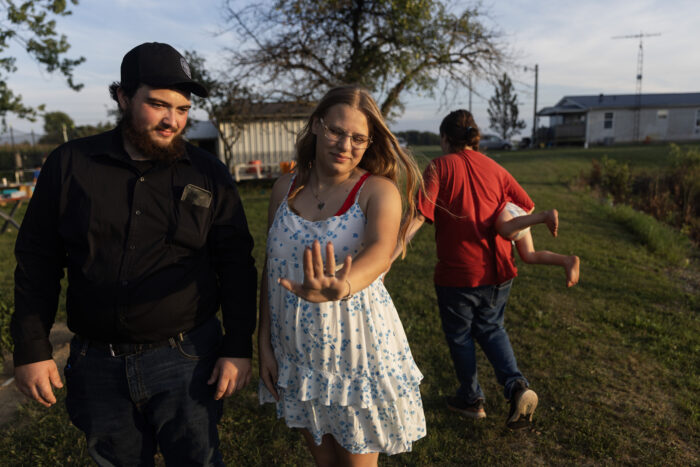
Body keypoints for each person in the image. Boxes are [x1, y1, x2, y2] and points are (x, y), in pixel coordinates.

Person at [11, 42, 257, 465]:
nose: (172, 120)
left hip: (187, 360)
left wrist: (237, 346)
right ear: (123, 97)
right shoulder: (70, 165)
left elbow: (236, 266)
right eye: (158, 105)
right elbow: (37, 261)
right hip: (96, 365)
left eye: (181, 109)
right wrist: (32, 348)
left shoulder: (207, 174)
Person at [258, 85, 426, 466]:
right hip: (296, 354)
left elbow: (380, 252)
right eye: (336, 131)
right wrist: (264, 342)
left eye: (358, 138)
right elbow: (271, 269)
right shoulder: (284, 189)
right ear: (317, 125)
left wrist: (343, 285)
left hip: (355, 357)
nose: (345, 145)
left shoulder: (378, 191)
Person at [393, 109, 539, 429]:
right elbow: (525, 205)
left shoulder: (439, 167)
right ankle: (516, 387)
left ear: (445, 139)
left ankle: (471, 399)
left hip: (458, 274)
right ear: (475, 138)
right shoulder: (496, 168)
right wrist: (502, 222)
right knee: (491, 328)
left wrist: (387, 256)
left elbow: (418, 216)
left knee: (460, 336)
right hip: (499, 270)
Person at [496, 202, 580, 287]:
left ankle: (544, 216)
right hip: (518, 215)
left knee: (505, 229)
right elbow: (528, 203)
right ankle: (566, 260)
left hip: (509, 215)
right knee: (530, 255)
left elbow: (526, 201)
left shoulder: (500, 189)